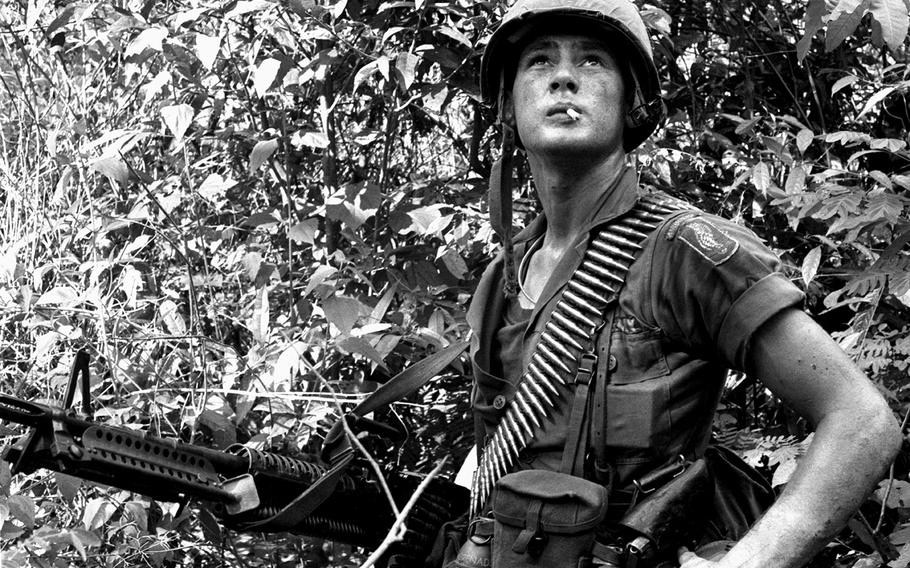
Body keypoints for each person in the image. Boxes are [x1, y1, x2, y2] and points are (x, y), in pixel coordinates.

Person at [456, 0, 903, 566]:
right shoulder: (504, 275)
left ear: (630, 102)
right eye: (539, 61)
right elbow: (503, 443)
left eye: (592, 61)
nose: (563, 76)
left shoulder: (681, 250)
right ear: (508, 104)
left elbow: (861, 420)